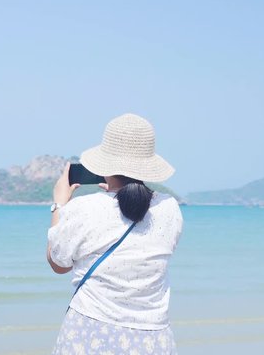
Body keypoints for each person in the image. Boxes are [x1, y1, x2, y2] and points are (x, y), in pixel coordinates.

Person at [47, 113, 183, 354]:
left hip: (89, 336)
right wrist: (120, 198)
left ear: (105, 164)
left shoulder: (85, 208)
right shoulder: (169, 208)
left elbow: (58, 263)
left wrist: (59, 205)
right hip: (153, 341)